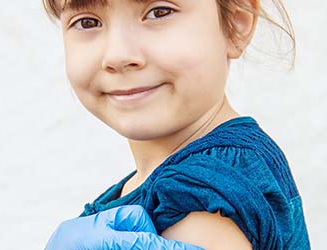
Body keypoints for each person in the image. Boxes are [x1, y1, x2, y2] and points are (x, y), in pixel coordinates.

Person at [43, 0, 310, 249]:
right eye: (87, 22)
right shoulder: (164, 182)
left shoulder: (206, 187)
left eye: (160, 11)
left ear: (236, 24)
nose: (118, 56)